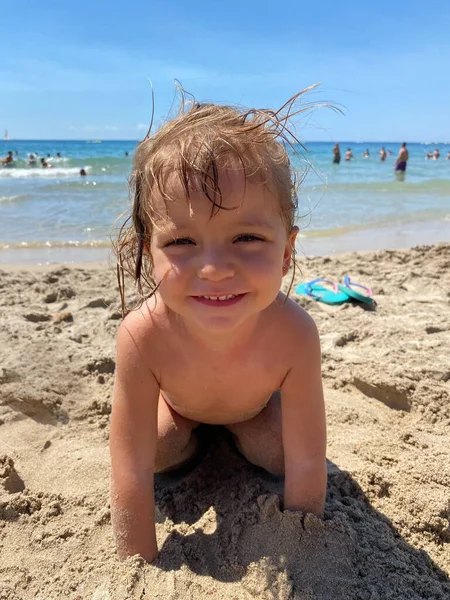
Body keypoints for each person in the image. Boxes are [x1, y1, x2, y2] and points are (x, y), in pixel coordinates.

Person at [110, 94, 327, 563]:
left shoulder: (295, 334)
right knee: (161, 451)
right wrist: (137, 565)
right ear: (151, 253)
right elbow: (129, 465)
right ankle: (197, 451)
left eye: (246, 238)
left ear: (286, 251)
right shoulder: (142, 335)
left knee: (281, 456)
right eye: (182, 241)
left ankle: (238, 439)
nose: (213, 268)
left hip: (254, 411)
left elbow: (309, 457)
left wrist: (305, 549)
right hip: (181, 410)